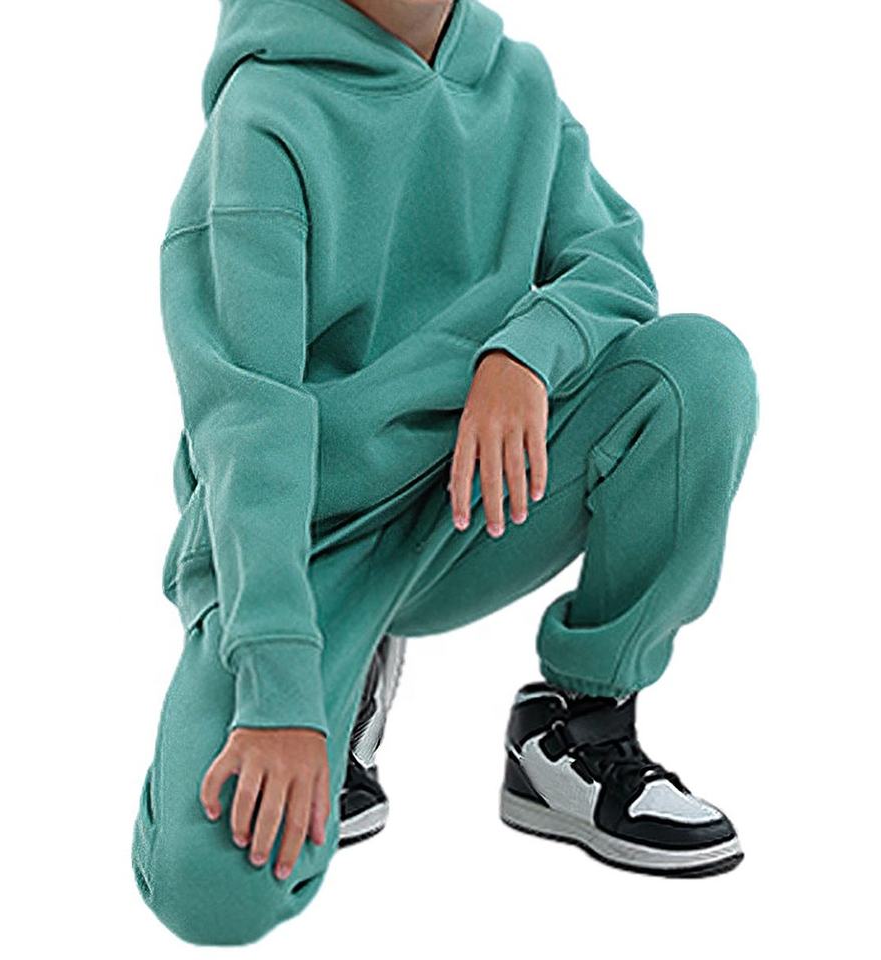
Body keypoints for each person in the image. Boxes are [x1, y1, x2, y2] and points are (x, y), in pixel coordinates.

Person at [131, 0, 760, 945]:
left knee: (696, 373)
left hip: (479, 498)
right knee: (214, 891)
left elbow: (612, 264)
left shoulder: (518, 84)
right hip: (311, 547)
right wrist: (280, 692)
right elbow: (247, 433)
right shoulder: (264, 122)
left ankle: (576, 725)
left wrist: (524, 354)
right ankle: (345, 675)